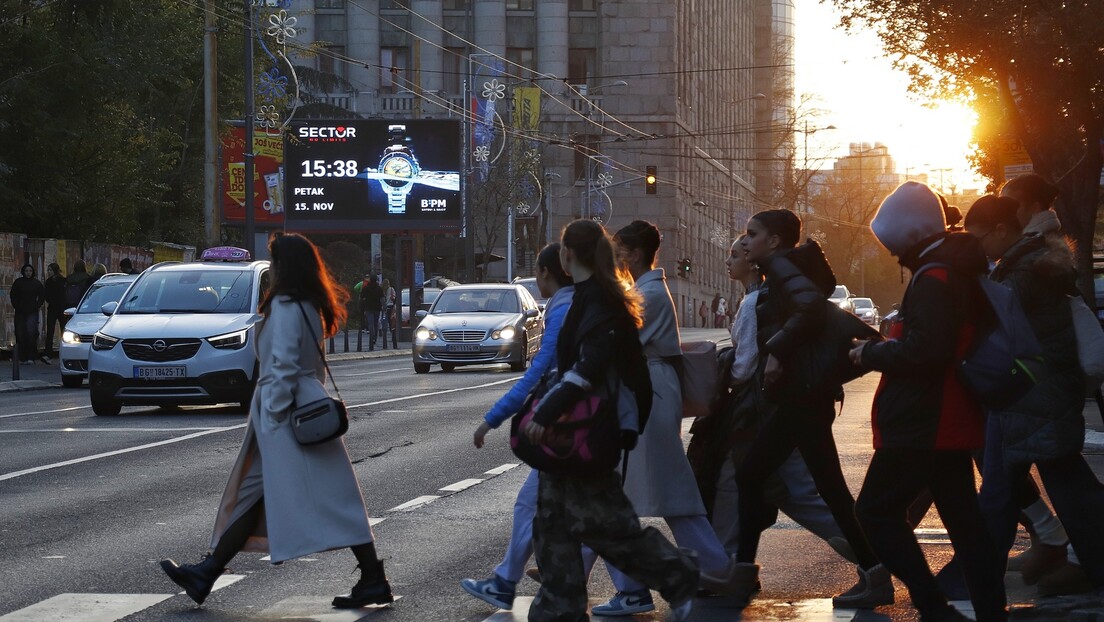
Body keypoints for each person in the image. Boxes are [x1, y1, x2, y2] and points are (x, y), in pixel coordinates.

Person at [159, 232, 393, 610]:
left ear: (286, 267)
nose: (271, 269)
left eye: (274, 261)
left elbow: (282, 365)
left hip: (285, 414)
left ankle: (373, 577)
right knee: (265, 495)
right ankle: (207, 571)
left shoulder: (285, 305)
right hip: (299, 406)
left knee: (330, 498)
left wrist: (273, 412)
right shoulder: (308, 304)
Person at [521, 219, 699, 622]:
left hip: (589, 428)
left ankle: (677, 573)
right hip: (579, 428)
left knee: (605, 526)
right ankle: (559, 605)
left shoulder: (601, 301)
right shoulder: (590, 295)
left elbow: (593, 366)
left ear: (568, 255)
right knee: (555, 520)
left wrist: (550, 411)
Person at [849, 182, 1007, 622]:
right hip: (948, 415)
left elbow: (928, 351)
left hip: (925, 417)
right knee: (966, 524)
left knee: (876, 512)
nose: (891, 252)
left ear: (908, 234)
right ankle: (990, 612)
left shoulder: (935, 276)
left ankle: (933, 606)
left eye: (891, 241)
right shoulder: (950, 268)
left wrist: (871, 352)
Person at [731, 209, 887, 609]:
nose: (745, 241)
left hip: (803, 395)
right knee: (825, 487)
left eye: (752, 234)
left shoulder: (782, 267)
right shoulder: (780, 268)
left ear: (774, 241)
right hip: (805, 394)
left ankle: (744, 573)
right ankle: (873, 571)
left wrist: (776, 351)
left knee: (755, 473)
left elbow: (812, 310)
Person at [578, 221, 735, 616]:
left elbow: (617, 345)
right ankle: (713, 571)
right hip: (651, 391)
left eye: (618, 252)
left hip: (646, 393)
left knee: (623, 496)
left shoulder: (646, 294)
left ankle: (627, 586)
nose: (615, 260)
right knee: (667, 496)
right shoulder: (648, 289)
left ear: (631, 253)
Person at [965, 194, 1104, 596]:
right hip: (1037, 390)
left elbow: (989, 318)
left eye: (979, 238)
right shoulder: (1027, 263)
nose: (978, 247)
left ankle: (978, 578)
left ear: (1002, 230)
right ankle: (989, 572)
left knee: (1040, 483)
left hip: (1034, 391)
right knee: (1041, 480)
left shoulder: (1022, 271)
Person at [699, 237, 855, 561]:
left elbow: (747, 364)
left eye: (734, 255)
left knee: (764, 485)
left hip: (762, 410)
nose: (727, 261)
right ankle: (734, 563)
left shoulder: (755, 302)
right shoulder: (762, 298)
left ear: (753, 261)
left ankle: (869, 550)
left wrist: (722, 371)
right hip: (773, 406)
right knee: (779, 487)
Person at [461, 243, 573, 611]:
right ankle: (506, 581)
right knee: (587, 513)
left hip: (570, 423)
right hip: (582, 420)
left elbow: (539, 371)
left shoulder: (564, 308)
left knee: (598, 518)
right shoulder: (574, 302)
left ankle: (507, 582)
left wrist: (492, 418)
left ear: (544, 273)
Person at [9, 263, 48, 364]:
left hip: (32, 311)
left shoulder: (36, 283)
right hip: (20, 311)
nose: (28, 273)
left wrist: (36, 305)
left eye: (30, 271)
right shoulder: (18, 282)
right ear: (23, 272)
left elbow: (42, 296)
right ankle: (22, 357)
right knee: (20, 333)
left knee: (31, 333)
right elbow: (13, 294)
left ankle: (31, 356)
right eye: (26, 271)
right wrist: (16, 305)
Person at [43, 263, 67, 358]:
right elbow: (46, 295)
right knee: (50, 331)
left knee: (63, 331)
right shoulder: (48, 282)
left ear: (55, 271)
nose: (48, 272)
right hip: (53, 308)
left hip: (60, 308)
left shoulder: (63, 281)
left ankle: (64, 351)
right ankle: (48, 352)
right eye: (48, 270)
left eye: (50, 270)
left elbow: (64, 295)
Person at [359, 275, 383, 350]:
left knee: (370, 323)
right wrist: (384, 306)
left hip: (368, 308)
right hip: (377, 308)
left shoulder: (366, 288)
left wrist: (364, 302)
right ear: (376, 280)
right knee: (375, 324)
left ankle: (371, 337)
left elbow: (361, 297)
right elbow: (382, 298)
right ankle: (374, 337)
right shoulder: (379, 288)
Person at [379, 278, 397, 350]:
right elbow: (394, 297)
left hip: (384, 308)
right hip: (391, 307)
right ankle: (393, 337)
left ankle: (384, 336)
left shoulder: (382, 290)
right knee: (391, 323)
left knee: (384, 322)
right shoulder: (391, 289)